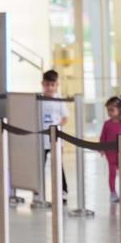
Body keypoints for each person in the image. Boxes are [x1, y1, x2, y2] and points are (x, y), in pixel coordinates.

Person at [40, 70, 69, 198]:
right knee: (40, 164)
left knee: (57, 164)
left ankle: (62, 190)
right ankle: (38, 189)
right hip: (41, 139)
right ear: (42, 84)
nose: (50, 88)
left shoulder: (59, 100)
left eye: (53, 85)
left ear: (57, 85)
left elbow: (65, 117)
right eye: (47, 85)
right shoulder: (39, 99)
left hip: (56, 138)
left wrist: (58, 126)